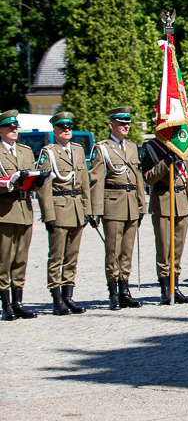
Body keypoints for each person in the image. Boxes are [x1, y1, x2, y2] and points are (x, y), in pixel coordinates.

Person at [89, 107, 146, 310]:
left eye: (128, 123)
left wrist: (141, 205)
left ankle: (125, 291)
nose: (125, 126)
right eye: (121, 123)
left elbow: (138, 178)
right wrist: (95, 210)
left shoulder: (132, 147)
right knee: (113, 250)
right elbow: (96, 180)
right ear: (111, 125)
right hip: (112, 204)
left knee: (127, 252)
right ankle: (113, 293)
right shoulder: (102, 148)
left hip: (131, 204)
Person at [36, 112, 92, 315]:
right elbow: (44, 187)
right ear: (55, 131)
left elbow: (85, 182)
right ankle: (57, 299)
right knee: (57, 256)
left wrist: (87, 209)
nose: (66, 130)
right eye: (62, 127)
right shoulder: (49, 153)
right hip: (59, 208)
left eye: (69, 127)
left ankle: (69, 296)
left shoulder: (77, 150)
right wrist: (48, 214)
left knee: (72, 256)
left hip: (77, 207)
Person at [0, 110, 44, 320]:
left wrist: (38, 180)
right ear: (1, 130)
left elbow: (31, 179)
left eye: (16, 127)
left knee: (20, 259)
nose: (14, 130)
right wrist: (12, 182)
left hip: (25, 210)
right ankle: (6, 304)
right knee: (3, 259)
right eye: (9, 127)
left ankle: (18, 302)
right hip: (5, 212)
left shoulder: (25, 151)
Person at [141, 136, 188, 305]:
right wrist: (166, 162)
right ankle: (165, 289)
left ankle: (175, 287)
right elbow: (148, 178)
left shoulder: (183, 145)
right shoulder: (151, 147)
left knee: (177, 248)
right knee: (164, 248)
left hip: (181, 200)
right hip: (163, 200)